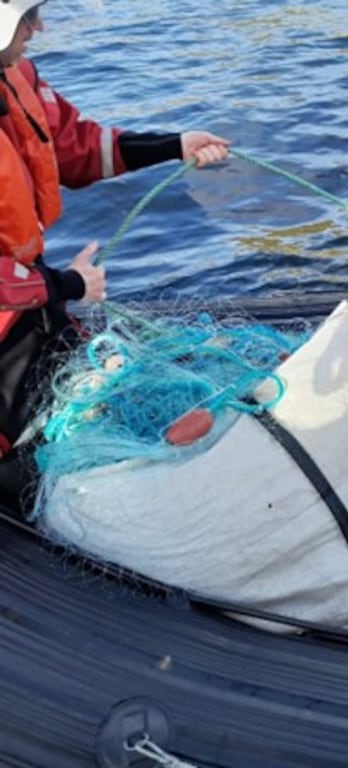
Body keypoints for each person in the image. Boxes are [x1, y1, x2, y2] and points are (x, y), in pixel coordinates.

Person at [0, 0, 230, 511]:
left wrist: (175, 145)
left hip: (29, 300)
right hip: (20, 306)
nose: (39, 27)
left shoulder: (15, 72)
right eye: (26, 15)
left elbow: (76, 145)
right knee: (25, 468)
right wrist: (68, 286)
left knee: (86, 392)